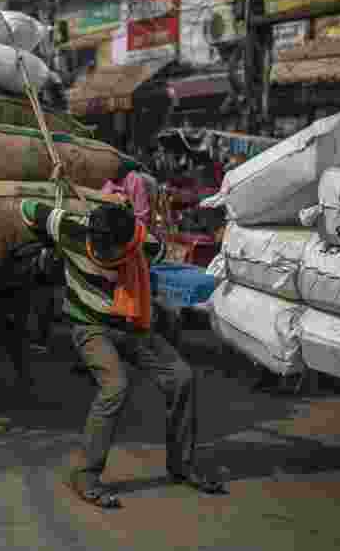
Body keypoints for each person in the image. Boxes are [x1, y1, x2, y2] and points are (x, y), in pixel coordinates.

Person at [19, 195, 226, 509]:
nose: (106, 255)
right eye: (101, 248)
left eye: (114, 250)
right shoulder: (70, 229)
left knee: (182, 377)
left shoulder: (144, 245)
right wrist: (45, 242)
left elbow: (159, 254)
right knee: (115, 386)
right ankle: (86, 474)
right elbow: (28, 208)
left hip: (132, 324)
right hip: (88, 325)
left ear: (127, 243)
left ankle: (181, 466)